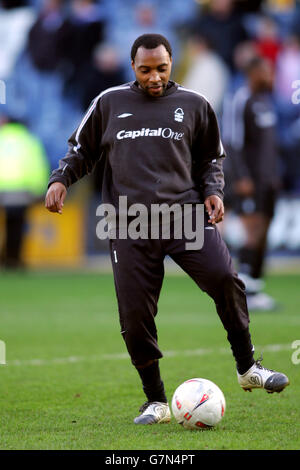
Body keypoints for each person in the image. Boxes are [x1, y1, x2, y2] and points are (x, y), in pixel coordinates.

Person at [45, 34, 289, 425]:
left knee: (225, 277)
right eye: (145, 70)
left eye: (161, 68)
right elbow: (81, 151)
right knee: (134, 314)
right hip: (128, 221)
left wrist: (213, 191)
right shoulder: (109, 103)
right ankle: (156, 401)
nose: (154, 77)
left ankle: (248, 369)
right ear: (133, 67)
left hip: (184, 216)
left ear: (171, 63)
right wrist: (60, 180)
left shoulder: (194, 104)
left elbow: (211, 158)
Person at [224, 56, 281, 310]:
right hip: (249, 181)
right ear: (254, 73)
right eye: (266, 71)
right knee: (253, 232)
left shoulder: (265, 102)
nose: (271, 76)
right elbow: (232, 141)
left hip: (269, 180)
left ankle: (256, 288)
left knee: (263, 235)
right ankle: (243, 291)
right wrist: (240, 177)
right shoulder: (241, 99)